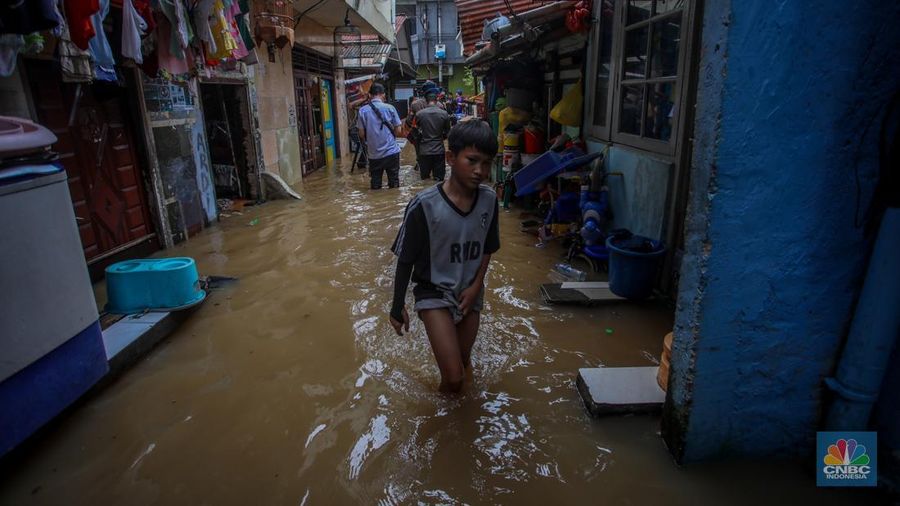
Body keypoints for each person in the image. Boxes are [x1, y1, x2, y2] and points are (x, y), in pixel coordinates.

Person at [389, 120, 500, 393]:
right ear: (450, 158)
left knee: (463, 362)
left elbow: (488, 246)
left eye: (487, 163)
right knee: (453, 377)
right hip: (433, 291)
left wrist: (476, 287)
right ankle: (443, 427)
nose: (480, 171)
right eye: (472, 160)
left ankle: (464, 420)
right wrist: (396, 305)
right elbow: (405, 259)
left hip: (469, 292)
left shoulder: (489, 200)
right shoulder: (424, 205)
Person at [357, 83, 402, 189]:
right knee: (394, 184)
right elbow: (399, 130)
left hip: (374, 155)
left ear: (370, 95)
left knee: (375, 185)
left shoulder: (362, 111)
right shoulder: (390, 108)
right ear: (383, 95)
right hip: (392, 152)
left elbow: (361, 134)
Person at [414, 90, 451, 181]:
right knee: (439, 180)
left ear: (426, 101)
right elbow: (448, 133)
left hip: (424, 151)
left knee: (425, 180)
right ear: (436, 101)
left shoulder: (419, 114)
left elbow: (414, 132)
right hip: (439, 151)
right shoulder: (444, 114)